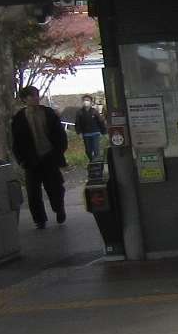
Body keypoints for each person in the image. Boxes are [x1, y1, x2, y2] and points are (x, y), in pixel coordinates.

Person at [9, 84, 69, 229]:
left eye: (36, 95)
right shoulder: (19, 118)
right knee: (33, 192)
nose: (35, 98)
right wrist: (21, 159)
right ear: (24, 99)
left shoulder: (48, 113)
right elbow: (16, 141)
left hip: (49, 156)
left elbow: (60, 134)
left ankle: (59, 209)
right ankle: (39, 219)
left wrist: (59, 152)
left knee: (55, 187)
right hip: (31, 160)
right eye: (31, 96)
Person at [74, 99, 106, 163]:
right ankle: (91, 160)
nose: (86, 102)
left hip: (95, 132)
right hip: (86, 134)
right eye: (85, 100)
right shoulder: (80, 112)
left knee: (96, 149)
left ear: (90, 102)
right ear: (82, 102)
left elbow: (100, 121)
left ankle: (97, 163)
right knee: (88, 150)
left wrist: (103, 131)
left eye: (87, 100)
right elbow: (77, 123)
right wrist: (78, 132)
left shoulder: (94, 111)